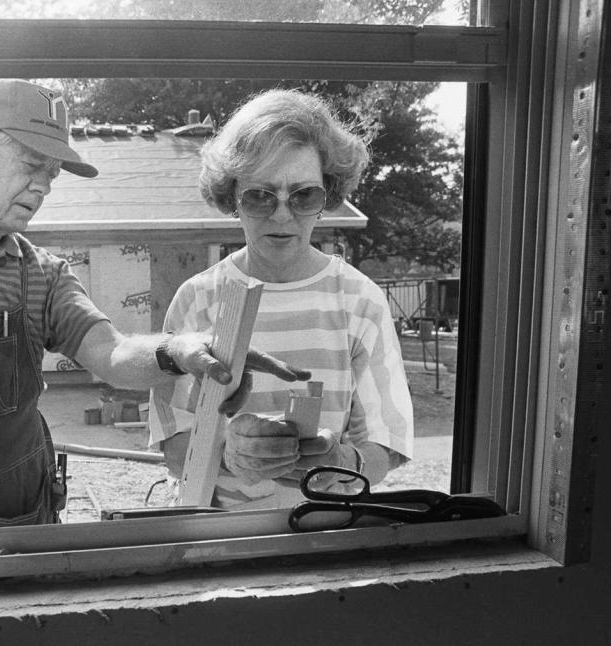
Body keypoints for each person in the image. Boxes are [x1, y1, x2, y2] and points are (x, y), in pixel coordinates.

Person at [0, 79, 310, 526]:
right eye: (30, 166)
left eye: (52, 173)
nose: (43, 186)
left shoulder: (43, 272)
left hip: (17, 527)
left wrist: (182, 350)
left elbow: (113, 356)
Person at [149, 88, 414, 510]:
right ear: (231, 198)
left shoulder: (360, 299)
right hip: (220, 539)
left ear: (327, 195)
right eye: (260, 196)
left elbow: (389, 443)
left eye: (303, 195)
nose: (282, 214)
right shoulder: (197, 299)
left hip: (324, 534)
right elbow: (171, 442)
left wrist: (342, 461)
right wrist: (227, 451)